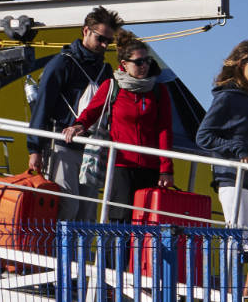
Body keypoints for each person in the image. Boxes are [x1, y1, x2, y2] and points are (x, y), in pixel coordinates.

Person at [194, 39, 248, 302]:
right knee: (239, 251)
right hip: (235, 180)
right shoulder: (227, 96)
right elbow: (204, 136)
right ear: (241, 64)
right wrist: (237, 150)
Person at [62, 32, 175, 216]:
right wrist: (78, 125)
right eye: (138, 62)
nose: (144, 66)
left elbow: (164, 130)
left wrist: (166, 169)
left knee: (147, 220)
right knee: (120, 218)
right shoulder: (112, 86)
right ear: (124, 64)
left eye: (147, 61)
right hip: (121, 165)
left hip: (151, 166)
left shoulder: (158, 90)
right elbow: (91, 112)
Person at [27, 7, 119, 222]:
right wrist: (35, 148)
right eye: (101, 38)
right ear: (86, 31)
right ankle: (58, 256)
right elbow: (43, 106)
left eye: (109, 41)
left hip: (92, 148)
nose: (105, 45)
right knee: (67, 206)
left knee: (87, 213)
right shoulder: (61, 64)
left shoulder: (105, 70)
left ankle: (79, 256)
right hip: (62, 144)